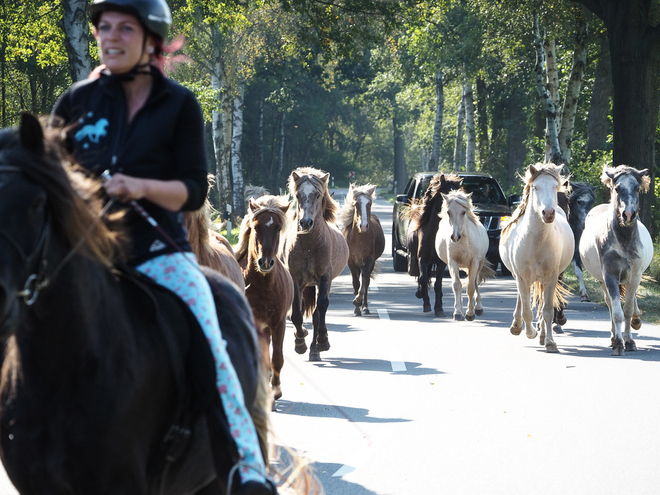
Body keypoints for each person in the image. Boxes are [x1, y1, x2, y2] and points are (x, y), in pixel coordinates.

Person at [50, 1, 276, 493]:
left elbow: (193, 189)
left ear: (151, 38)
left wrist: (142, 187)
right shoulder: (75, 103)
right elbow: (52, 178)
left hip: (159, 254)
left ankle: (244, 465)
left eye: (123, 28)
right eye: (103, 27)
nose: (110, 36)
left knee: (211, 341)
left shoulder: (178, 105)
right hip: (86, 254)